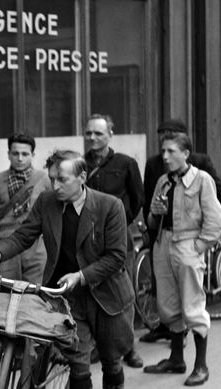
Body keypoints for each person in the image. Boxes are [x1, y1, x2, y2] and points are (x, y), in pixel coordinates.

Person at [0, 150, 135, 389]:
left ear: (82, 177)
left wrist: (80, 276)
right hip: (68, 298)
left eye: (62, 179)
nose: (55, 185)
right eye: (52, 179)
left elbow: (116, 257)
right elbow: (22, 236)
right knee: (78, 363)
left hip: (108, 296)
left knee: (111, 361)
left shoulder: (109, 206)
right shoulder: (47, 202)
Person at [142, 132, 221, 386]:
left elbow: (214, 220)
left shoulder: (202, 180)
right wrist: (154, 215)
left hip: (188, 245)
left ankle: (201, 365)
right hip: (163, 245)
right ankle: (176, 359)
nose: (165, 157)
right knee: (167, 305)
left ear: (185, 153)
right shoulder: (163, 181)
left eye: (171, 152)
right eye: (163, 151)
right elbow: (152, 221)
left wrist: (198, 246)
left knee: (193, 306)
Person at [83, 114, 145, 368]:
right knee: (92, 289)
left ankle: (128, 347)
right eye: (88, 133)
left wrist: (120, 223)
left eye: (98, 133)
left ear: (110, 134)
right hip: (87, 239)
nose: (92, 138)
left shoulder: (126, 163)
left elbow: (138, 198)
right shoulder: (79, 164)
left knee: (123, 291)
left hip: (119, 238)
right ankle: (101, 345)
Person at [0, 131, 51, 284]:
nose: (20, 158)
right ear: (8, 154)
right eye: (15, 153)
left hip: (35, 248)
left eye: (25, 154)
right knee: (7, 295)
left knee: (35, 296)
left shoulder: (44, 180)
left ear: (33, 155)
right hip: (6, 249)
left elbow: (53, 215)